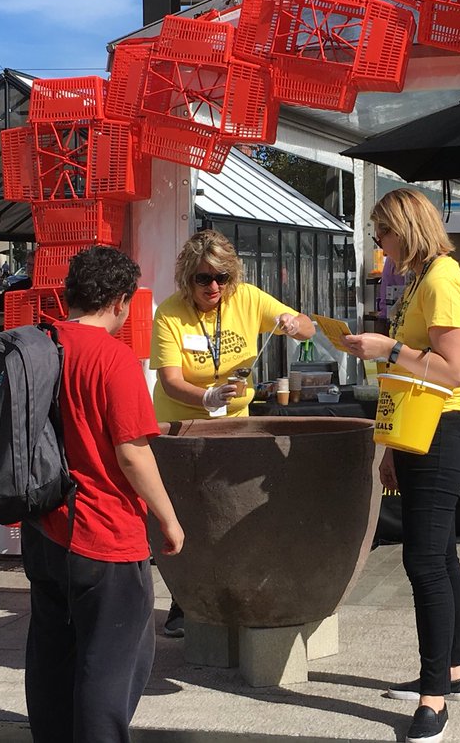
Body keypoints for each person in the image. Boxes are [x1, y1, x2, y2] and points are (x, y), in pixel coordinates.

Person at [21, 245, 184, 743]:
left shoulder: (37, 344)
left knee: (51, 654)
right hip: (104, 533)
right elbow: (133, 454)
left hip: (44, 528)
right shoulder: (113, 359)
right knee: (110, 667)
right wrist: (170, 520)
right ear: (118, 301)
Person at [341, 188, 460, 743]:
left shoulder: (442, 279)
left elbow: (451, 370)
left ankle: (434, 696)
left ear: (407, 228)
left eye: (383, 233)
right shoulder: (422, 279)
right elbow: (415, 377)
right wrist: (394, 448)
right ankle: (454, 670)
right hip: (420, 427)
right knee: (440, 553)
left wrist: (387, 349)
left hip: (445, 424)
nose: (379, 244)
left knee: (423, 560)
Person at [150, 228, 315, 637]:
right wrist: (206, 396)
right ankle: (183, 602)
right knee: (189, 512)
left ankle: (234, 593)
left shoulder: (247, 298)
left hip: (236, 422)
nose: (213, 286)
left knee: (231, 509)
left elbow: (309, 327)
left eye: (222, 277)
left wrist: (294, 324)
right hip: (183, 425)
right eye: (203, 278)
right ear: (188, 278)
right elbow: (171, 381)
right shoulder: (170, 312)